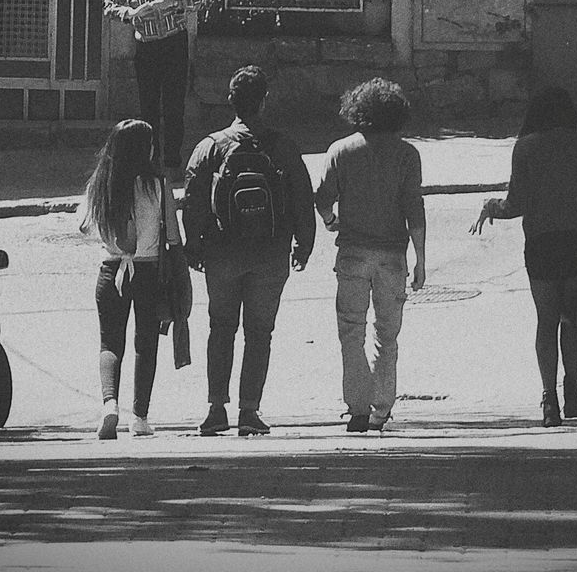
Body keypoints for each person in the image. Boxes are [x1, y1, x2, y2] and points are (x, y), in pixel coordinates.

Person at [469, 86, 577, 427]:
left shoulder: (526, 147)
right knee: (573, 319)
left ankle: (549, 399)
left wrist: (491, 207)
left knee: (546, 320)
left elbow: (515, 203)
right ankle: (572, 389)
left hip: (541, 246)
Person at [183, 66, 315, 436]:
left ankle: (215, 410)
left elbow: (192, 200)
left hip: (222, 255)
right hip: (271, 254)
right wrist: (304, 244)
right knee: (260, 333)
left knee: (220, 328)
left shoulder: (210, 146)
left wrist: (193, 246)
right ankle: (249, 411)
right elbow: (303, 198)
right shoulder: (283, 146)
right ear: (264, 101)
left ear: (231, 101)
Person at [314, 78, 426, 433]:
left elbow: (322, 197)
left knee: (351, 331)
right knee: (387, 335)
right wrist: (421, 259)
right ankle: (382, 408)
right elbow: (415, 210)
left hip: (352, 254)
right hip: (392, 256)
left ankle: (357, 407)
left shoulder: (341, 151)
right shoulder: (408, 155)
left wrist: (332, 221)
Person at [78, 118, 182, 439]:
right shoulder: (157, 185)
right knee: (145, 342)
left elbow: (83, 225)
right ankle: (139, 417)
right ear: (144, 149)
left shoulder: (101, 183)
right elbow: (174, 236)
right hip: (149, 271)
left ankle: (110, 404)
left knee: (110, 341)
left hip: (111, 270)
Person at [104, 0, 196, 179]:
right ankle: (151, 161)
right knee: (148, 106)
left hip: (173, 42)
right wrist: (131, 14)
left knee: (174, 104)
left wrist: (174, 3)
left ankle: (173, 161)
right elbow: (109, 6)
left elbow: (195, 0)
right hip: (146, 45)